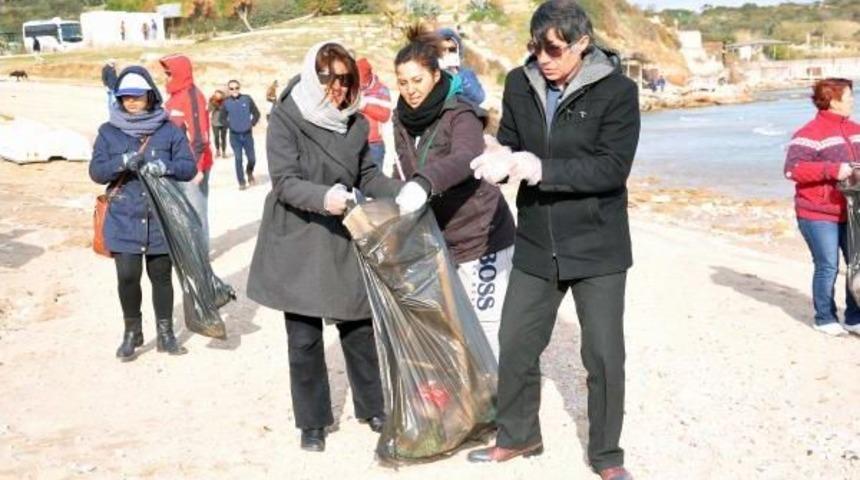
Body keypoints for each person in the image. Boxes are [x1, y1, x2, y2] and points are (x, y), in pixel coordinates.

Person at [468, 2, 640, 479]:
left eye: (554, 48)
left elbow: (612, 167)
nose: (543, 57)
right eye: (535, 46)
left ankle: (607, 456)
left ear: (582, 45)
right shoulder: (519, 83)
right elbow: (510, 139)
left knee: (604, 354)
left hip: (598, 243)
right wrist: (498, 156)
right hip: (537, 238)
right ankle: (518, 434)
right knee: (516, 340)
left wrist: (543, 169)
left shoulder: (618, 91)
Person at [247, 40, 404, 453]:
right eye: (327, 77)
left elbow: (367, 174)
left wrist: (404, 191)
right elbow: (284, 181)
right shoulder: (287, 115)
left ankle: (373, 407)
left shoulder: (353, 122)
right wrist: (324, 198)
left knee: (358, 325)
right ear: (313, 76)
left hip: (340, 235)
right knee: (303, 338)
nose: (336, 87)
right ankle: (312, 422)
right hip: (297, 234)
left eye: (344, 78)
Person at [390, 27, 515, 358]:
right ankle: (466, 394)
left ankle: (495, 401)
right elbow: (403, 169)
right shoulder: (401, 117)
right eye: (403, 83)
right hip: (439, 238)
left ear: (435, 74)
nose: (410, 90)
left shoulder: (461, 112)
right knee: (451, 323)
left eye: (417, 80)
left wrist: (424, 183)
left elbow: (465, 156)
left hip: (481, 234)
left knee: (485, 324)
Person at [89, 66, 197, 361]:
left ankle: (165, 334)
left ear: (151, 96)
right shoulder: (108, 132)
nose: (132, 102)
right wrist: (121, 162)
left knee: (161, 276)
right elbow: (96, 172)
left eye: (138, 97)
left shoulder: (168, 130)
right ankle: (132, 332)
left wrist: (167, 167)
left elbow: (189, 168)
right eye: (126, 98)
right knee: (127, 276)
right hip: (124, 216)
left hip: (161, 217)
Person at [784, 78, 860, 336]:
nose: (852, 100)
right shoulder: (808, 134)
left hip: (851, 211)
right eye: (849, 96)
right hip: (817, 214)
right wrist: (833, 170)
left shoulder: (855, 129)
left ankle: (854, 317)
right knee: (828, 265)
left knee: (856, 264)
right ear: (834, 100)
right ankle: (824, 317)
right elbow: (793, 170)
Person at [159, 54, 214, 251]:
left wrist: (197, 168)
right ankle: (190, 250)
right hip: (176, 165)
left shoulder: (192, 96)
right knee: (182, 211)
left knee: (196, 212)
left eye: (169, 73)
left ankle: (200, 257)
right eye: (165, 73)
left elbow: (200, 135)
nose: (166, 77)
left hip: (191, 166)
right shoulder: (175, 95)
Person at [220, 79, 260, 190]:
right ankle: (241, 182)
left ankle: (249, 172)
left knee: (252, 159)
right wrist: (230, 126)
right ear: (229, 90)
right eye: (231, 88)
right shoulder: (226, 103)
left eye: (236, 88)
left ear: (239, 87)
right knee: (238, 159)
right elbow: (221, 118)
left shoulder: (247, 99)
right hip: (234, 136)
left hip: (247, 135)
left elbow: (256, 113)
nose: (234, 90)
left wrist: (252, 123)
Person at [356, 58, 391, 171]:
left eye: (363, 83)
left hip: (374, 144)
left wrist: (364, 106)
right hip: (355, 142)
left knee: (375, 179)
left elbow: (385, 115)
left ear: (370, 75)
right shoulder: (352, 88)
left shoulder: (382, 90)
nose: (361, 86)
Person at [437, 27, 485, 105]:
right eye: (442, 50)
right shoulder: (428, 74)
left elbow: (479, 97)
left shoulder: (466, 73)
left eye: (451, 49)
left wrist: (458, 76)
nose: (447, 53)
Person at [209, 90, 228, 158]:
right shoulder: (212, 101)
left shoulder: (225, 101)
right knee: (216, 137)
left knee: (223, 138)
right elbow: (209, 110)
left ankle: (223, 152)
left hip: (224, 122)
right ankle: (217, 150)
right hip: (215, 122)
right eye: (216, 95)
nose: (218, 96)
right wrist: (212, 104)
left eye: (219, 95)